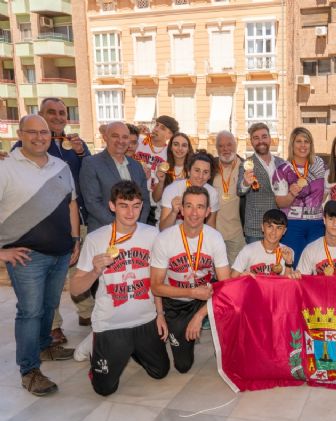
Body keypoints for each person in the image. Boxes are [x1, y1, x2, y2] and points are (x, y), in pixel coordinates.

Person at [0, 115, 79, 396]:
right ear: (19, 134)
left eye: (44, 132)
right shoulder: (6, 169)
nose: (39, 137)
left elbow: (71, 205)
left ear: (52, 135)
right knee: (30, 312)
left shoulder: (62, 166)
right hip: (26, 257)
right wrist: (2, 252)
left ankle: (45, 346)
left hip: (60, 253)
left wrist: (74, 240)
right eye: (31, 132)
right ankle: (29, 370)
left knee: (49, 306)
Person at [70, 181, 169, 396]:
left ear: (142, 205)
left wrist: (160, 314)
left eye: (135, 205)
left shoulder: (153, 234)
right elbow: (75, 289)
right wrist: (94, 272)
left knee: (160, 372)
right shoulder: (96, 239)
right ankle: (93, 344)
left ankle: (131, 349)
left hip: (145, 319)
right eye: (123, 205)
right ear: (112, 206)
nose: (130, 212)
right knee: (104, 389)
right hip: (110, 324)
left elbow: (157, 280)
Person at [8, 98, 92, 342]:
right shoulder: (25, 149)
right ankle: (53, 327)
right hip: (42, 229)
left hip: (76, 220)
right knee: (47, 285)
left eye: (62, 113)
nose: (57, 117)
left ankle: (86, 312)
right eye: (51, 113)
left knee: (79, 270)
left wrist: (81, 152)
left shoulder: (74, 144)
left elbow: (86, 174)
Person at [151, 186, 231, 373]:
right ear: (181, 209)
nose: (194, 213)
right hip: (176, 300)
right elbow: (156, 287)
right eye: (189, 206)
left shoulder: (215, 238)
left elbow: (225, 286)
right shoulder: (165, 239)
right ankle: (172, 331)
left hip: (206, 297)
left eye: (200, 207)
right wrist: (190, 293)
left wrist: (200, 315)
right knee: (183, 366)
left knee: (236, 304)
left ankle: (233, 354)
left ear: (207, 211)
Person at [80, 121, 150, 232]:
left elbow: (144, 200)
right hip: (104, 232)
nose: (121, 141)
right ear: (105, 137)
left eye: (125, 137)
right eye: (115, 136)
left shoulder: (137, 166)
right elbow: (92, 203)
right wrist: (121, 228)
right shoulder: (91, 163)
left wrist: (137, 226)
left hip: (134, 233)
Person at [273, 127, 326, 267]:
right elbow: (280, 203)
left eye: (306, 141)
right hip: (293, 224)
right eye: (299, 141)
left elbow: (325, 192)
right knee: (294, 265)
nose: (303, 145)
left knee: (317, 265)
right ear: (292, 144)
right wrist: (291, 194)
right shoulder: (282, 170)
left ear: (311, 145)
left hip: (317, 223)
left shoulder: (319, 164)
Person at [237, 123, 285, 244]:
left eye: (264, 136)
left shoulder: (282, 163)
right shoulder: (246, 164)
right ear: (251, 142)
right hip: (255, 228)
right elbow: (239, 190)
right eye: (256, 138)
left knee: (277, 262)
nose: (260, 141)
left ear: (270, 139)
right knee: (255, 263)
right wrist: (246, 183)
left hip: (278, 226)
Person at [134, 115, 179, 226]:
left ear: (170, 135)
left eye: (162, 128)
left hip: (153, 202)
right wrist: (135, 129)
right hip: (133, 196)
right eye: (157, 125)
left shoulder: (169, 154)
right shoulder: (139, 142)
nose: (156, 128)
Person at [159, 151, 219, 231]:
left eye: (205, 172)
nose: (200, 176)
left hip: (196, 237)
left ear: (210, 176)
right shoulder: (172, 189)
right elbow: (163, 228)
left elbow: (210, 227)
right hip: (172, 235)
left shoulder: (212, 193)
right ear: (189, 171)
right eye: (197, 170)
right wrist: (174, 212)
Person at [213, 131, 245, 264]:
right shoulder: (210, 166)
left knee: (235, 274)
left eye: (229, 145)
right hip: (214, 233)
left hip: (237, 234)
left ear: (236, 145)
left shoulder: (246, 166)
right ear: (216, 148)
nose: (225, 149)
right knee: (215, 274)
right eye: (221, 146)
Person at [231, 209, 294, 277]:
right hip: (253, 287)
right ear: (262, 227)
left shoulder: (287, 252)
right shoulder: (248, 250)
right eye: (270, 226)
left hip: (276, 288)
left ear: (284, 231)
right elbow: (232, 278)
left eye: (279, 228)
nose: (274, 232)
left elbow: (288, 285)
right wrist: (242, 276)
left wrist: (288, 263)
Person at [152, 132, 194, 204]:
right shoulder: (162, 168)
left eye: (184, 145)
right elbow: (155, 198)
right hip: (164, 213)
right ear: (170, 147)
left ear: (188, 149)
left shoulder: (194, 170)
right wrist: (161, 182)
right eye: (176, 144)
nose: (180, 148)